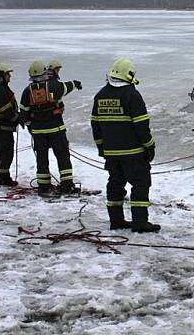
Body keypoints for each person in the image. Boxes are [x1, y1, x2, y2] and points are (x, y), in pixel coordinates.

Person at [91, 58, 159, 233]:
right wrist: (149, 146)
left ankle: (116, 220)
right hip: (133, 153)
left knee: (115, 184)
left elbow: (95, 126)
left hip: (112, 154)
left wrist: (102, 149)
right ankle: (140, 222)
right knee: (140, 184)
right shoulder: (131, 95)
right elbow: (141, 125)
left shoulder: (100, 95)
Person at [18, 61, 82, 195]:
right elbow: (66, 87)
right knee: (63, 156)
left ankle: (43, 186)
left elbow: (23, 113)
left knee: (42, 159)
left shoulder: (27, 91)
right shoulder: (54, 86)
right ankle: (66, 185)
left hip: (38, 132)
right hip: (56, 130)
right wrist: (76, 83)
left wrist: (31, 127)